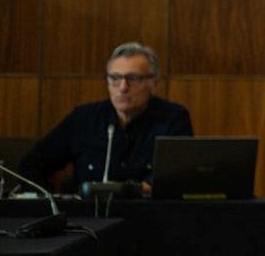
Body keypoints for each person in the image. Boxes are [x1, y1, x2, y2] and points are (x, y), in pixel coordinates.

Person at [20, 42, 193, 190]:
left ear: (154, 84)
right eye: (115, 78)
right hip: (88, 219)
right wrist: (53, 202)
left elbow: (177, 180)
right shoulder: (84, 119)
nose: (123, 87)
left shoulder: (173, 119)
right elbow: (31, 165)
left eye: (133, 78)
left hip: (150, 218)